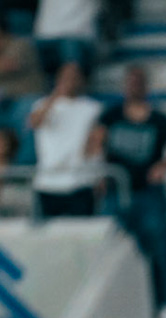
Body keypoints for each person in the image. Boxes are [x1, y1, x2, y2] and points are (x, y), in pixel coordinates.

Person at [95, 66, 166, 318]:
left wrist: (165, 165)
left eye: (138, 81)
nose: (134, 86)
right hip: (117, 191)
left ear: (146, 85)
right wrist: (99, 172)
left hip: (149, 194)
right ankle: (121, 308)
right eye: (130, 81)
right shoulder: (111, 115)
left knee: (160, 249)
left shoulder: (160, 119)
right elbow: (93, 146)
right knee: (112, 250)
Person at [28, 62, 100, 218]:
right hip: (48, 181)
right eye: (66, 77)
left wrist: (96, 176)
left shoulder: (92, 107)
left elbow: (96, 145)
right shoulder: (41, 105)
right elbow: (33, 123)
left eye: (74, 77)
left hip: (80, 180)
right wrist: (55, 96)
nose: (70, 81)